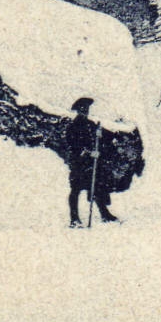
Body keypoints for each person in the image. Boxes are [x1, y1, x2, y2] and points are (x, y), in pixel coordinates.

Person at [65, 97, 117, 226]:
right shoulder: (73, 126)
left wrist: (101, 135)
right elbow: (73, 145)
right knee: (76, 190)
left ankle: (105, 214)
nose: (85, 111)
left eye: (87, 109)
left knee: (96, 187)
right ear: (78, 110)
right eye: (83, 109)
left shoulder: (91, 125)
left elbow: (103, 138)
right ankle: (74, 218)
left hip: (90, 163)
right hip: (78, 163)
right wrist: (88, 152)